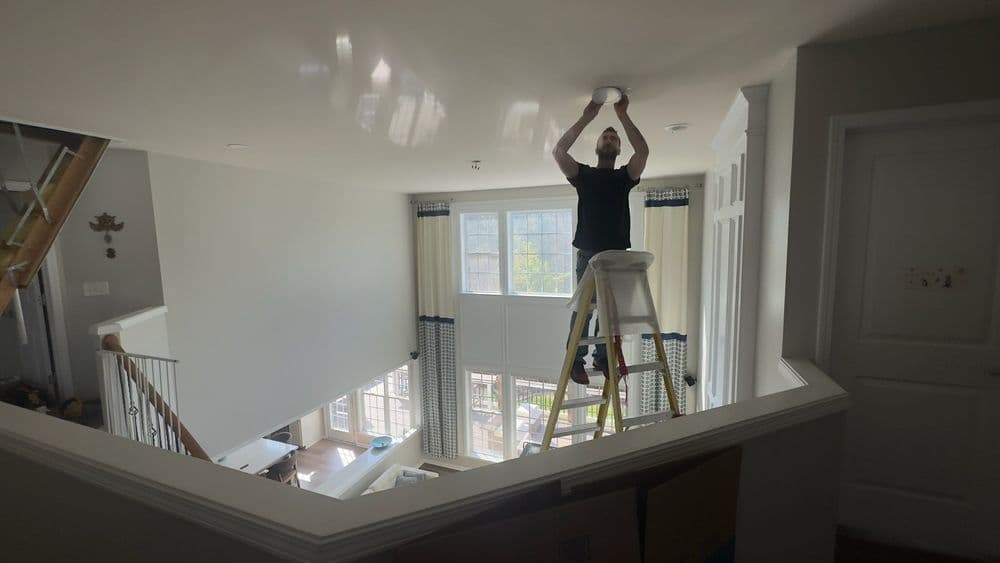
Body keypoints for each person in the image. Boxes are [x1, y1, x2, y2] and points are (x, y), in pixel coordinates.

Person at [551, 93, 648, 385]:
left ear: (618, 149)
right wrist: (587, 116)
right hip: (589, 255)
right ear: (597, 146)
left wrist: (622, 116)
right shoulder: (584, 175)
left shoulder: (624, 177)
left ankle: (604, 359)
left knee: (612, 313)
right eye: (605, 137)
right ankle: (575, 361)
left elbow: (642, 152)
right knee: (585, 310)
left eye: (613, 139)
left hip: (617, 256)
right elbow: (558, 151)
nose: (609, 140)